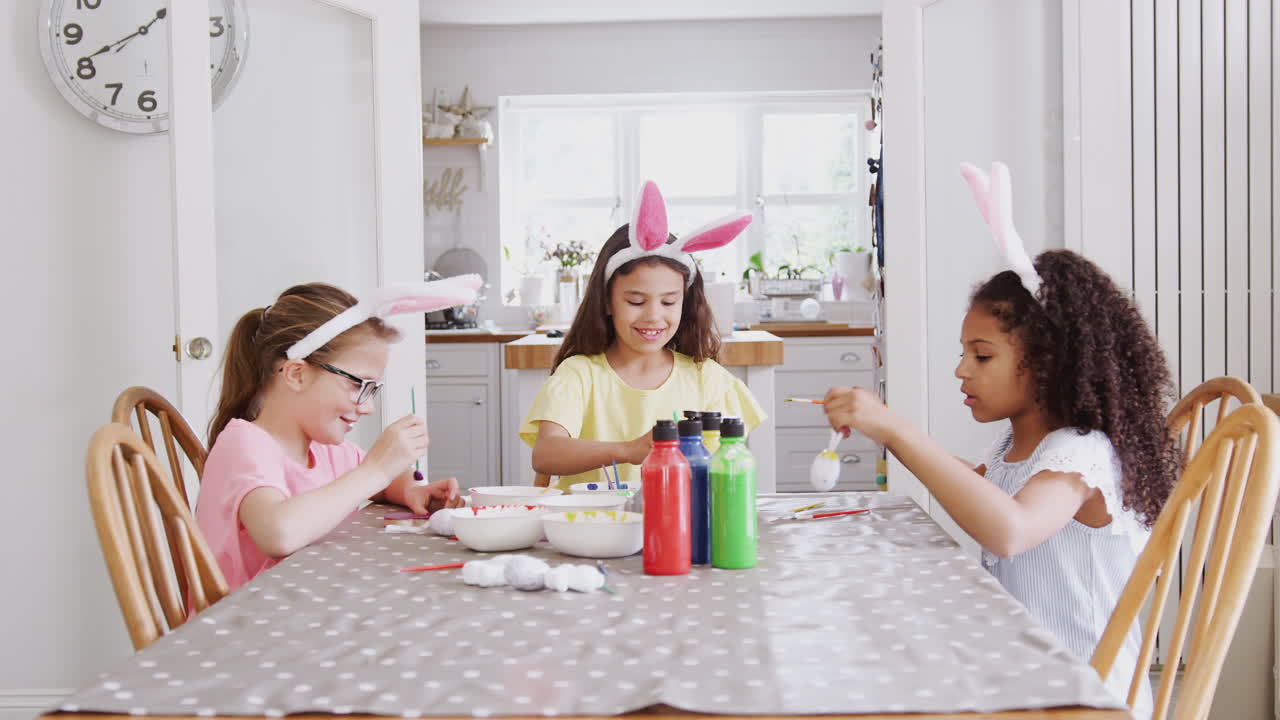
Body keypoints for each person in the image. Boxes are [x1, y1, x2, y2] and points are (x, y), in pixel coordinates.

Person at [823, 163, 1178, 718]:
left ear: (1049, 362)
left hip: (1084, 695)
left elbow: (1010, 530)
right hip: (1026, 674)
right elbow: (984, 490)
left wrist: (899, 429)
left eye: (982, 355)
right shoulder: (1023, 449)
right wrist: (885, 432)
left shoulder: (1080, 455)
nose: (961, 370)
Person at [196, 277, 481, 590]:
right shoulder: (244, 444)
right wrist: (377, 469)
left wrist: (411, 491)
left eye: (373, 390)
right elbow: (278, 533)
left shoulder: (323, 448)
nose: (367, 407)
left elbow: (381, 486)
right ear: (296, 374)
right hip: (240, 629)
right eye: (358, 385)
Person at [520, 181, 766, 491]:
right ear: (607, 302)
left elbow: (729, 468)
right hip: (590, 529)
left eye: (668, 301)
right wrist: (627, 450)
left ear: (685, 302)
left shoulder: (708, 379)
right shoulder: (580, 374)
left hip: (679, 530)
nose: (653, 315)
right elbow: (545, 455)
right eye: (635, 301)